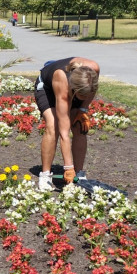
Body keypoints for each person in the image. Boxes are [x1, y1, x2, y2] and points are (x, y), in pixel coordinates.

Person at [34, 57, 99, 191]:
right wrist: (68, 168)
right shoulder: (61, 79)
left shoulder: (93, 69)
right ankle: (45, 175)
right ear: (74, 91)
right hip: (48, 89)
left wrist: (83, 110)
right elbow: (64, 133)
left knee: (79, 125)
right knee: (54, 125)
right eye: (82, 97)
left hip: (76, 87)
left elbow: (91, 91)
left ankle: (80, 175)